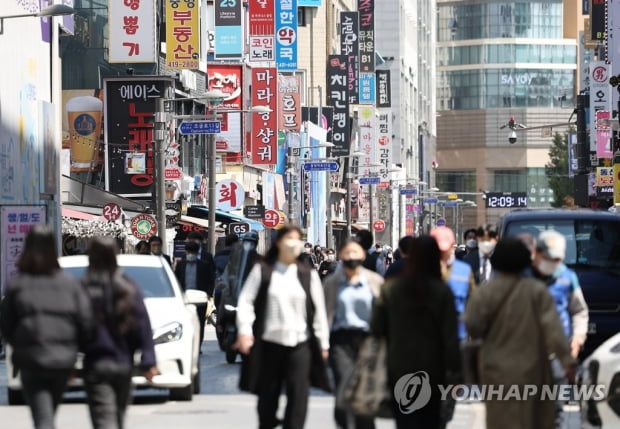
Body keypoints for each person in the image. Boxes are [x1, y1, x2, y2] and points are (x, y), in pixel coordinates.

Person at [464, 238, 576, 429]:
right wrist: (567, 362)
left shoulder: (485, 293)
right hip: (533, 369)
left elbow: (472, 326)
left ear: (495, 262)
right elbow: (554, 332)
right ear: (526, 262)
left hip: (495, 370)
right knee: (533, 420)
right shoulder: (537, 292)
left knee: (500, 419)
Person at [235, 225, 330, 429]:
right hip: (269, 342)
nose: (293, 243)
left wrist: (323, 344)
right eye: (289, 238)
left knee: (298, 395)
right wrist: (244, 332)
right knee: (267, 395)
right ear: (278, 242)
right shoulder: (263, 270)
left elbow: (318, 310)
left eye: (298, 239)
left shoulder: (308, 274)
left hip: (300, 343)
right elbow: (245, 301)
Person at [0, 225, 92, 429]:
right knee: (49, 411)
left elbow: (6, 323)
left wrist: (20, 346)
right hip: (63, 360)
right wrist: (77, 352)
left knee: (43, 415)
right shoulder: (69, 284)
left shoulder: (17, 285)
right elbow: (85, 322)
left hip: (31, 359)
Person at [370, 236, 461, 428]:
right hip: (434, 370)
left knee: (405, 420)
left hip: (398, 367)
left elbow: (376, 328)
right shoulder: (442, 292)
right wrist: (455, 372)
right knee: (430, 420)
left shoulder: (391, 289)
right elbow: (450, 338)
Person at [81, 237, 157, 429]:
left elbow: (72, 327)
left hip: (95, 364)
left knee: (104, 419)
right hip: (124, 363)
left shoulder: (83, 288)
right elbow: (143, 325)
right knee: (118, 416)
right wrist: (148, 360)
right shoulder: (129, 287)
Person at [323, 239, 384, 429]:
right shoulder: (332, 283)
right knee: (344, 382)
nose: (351, 257)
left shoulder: (375, 281)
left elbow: (384, 313)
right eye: (347, 253)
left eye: (355, 253)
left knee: (365, 388)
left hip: (369, 341)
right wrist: (322, 343)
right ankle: (343, 421)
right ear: (341, 256)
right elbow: (324, 313)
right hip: (340, 340)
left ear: (363, 256)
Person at [530, 230, 588, 427]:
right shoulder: (522, 277)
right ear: (537, 253)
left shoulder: (567, 277)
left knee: (556, 410)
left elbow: (579, 311)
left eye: (557, 259)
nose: (553, 263)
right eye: (549, 258)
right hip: (525, 355)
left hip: (557, 355)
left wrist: (577, 341)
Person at [430, 226, 476, 341]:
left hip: (458, 337)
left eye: (444, 250)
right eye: (437, 249)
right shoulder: (419, 270)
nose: (441, 254)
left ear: (452, 246)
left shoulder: (464, 270)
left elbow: (474, 301)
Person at [175, 241, 215, 347]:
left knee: (200, 322)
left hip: (200, 298)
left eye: (193, 252)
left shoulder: (204, 265)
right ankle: (187, 343)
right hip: (185, 298)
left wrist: (208, 294)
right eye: (189, 252)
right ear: (186, 252)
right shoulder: (181, 265)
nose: (191, 255)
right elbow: (176, 280)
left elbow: (211, 280)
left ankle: (198, 345)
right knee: (185, 321)